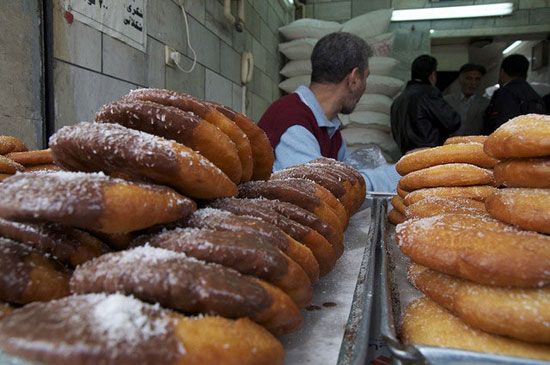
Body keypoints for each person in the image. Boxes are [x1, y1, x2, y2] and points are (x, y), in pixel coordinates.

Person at [258, 32, 400, 193]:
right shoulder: (293, 121)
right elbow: (325, 192)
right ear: (353, 79)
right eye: (365, 77)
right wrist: (400, 172)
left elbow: (348, 176)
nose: (364, 86)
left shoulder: (331, 132)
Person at [390, 55, 461, 155]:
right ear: (432, 75)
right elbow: (452, 121)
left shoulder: (398, 100)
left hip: (406, 158)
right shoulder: (428, 94)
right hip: (429, 156)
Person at [483, 54, 545, 134]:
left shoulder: (505, 93)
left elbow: (501, 127)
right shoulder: (535, 95)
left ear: (502, 72)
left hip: (510, 142)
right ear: (525, 74)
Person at [444, 63, 489, 136]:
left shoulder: (486, 104)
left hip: (474, 145)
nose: (473, 83)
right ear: (460, 79)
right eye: (469, 78)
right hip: (449, 144)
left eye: (477, 79)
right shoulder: (447, 101)